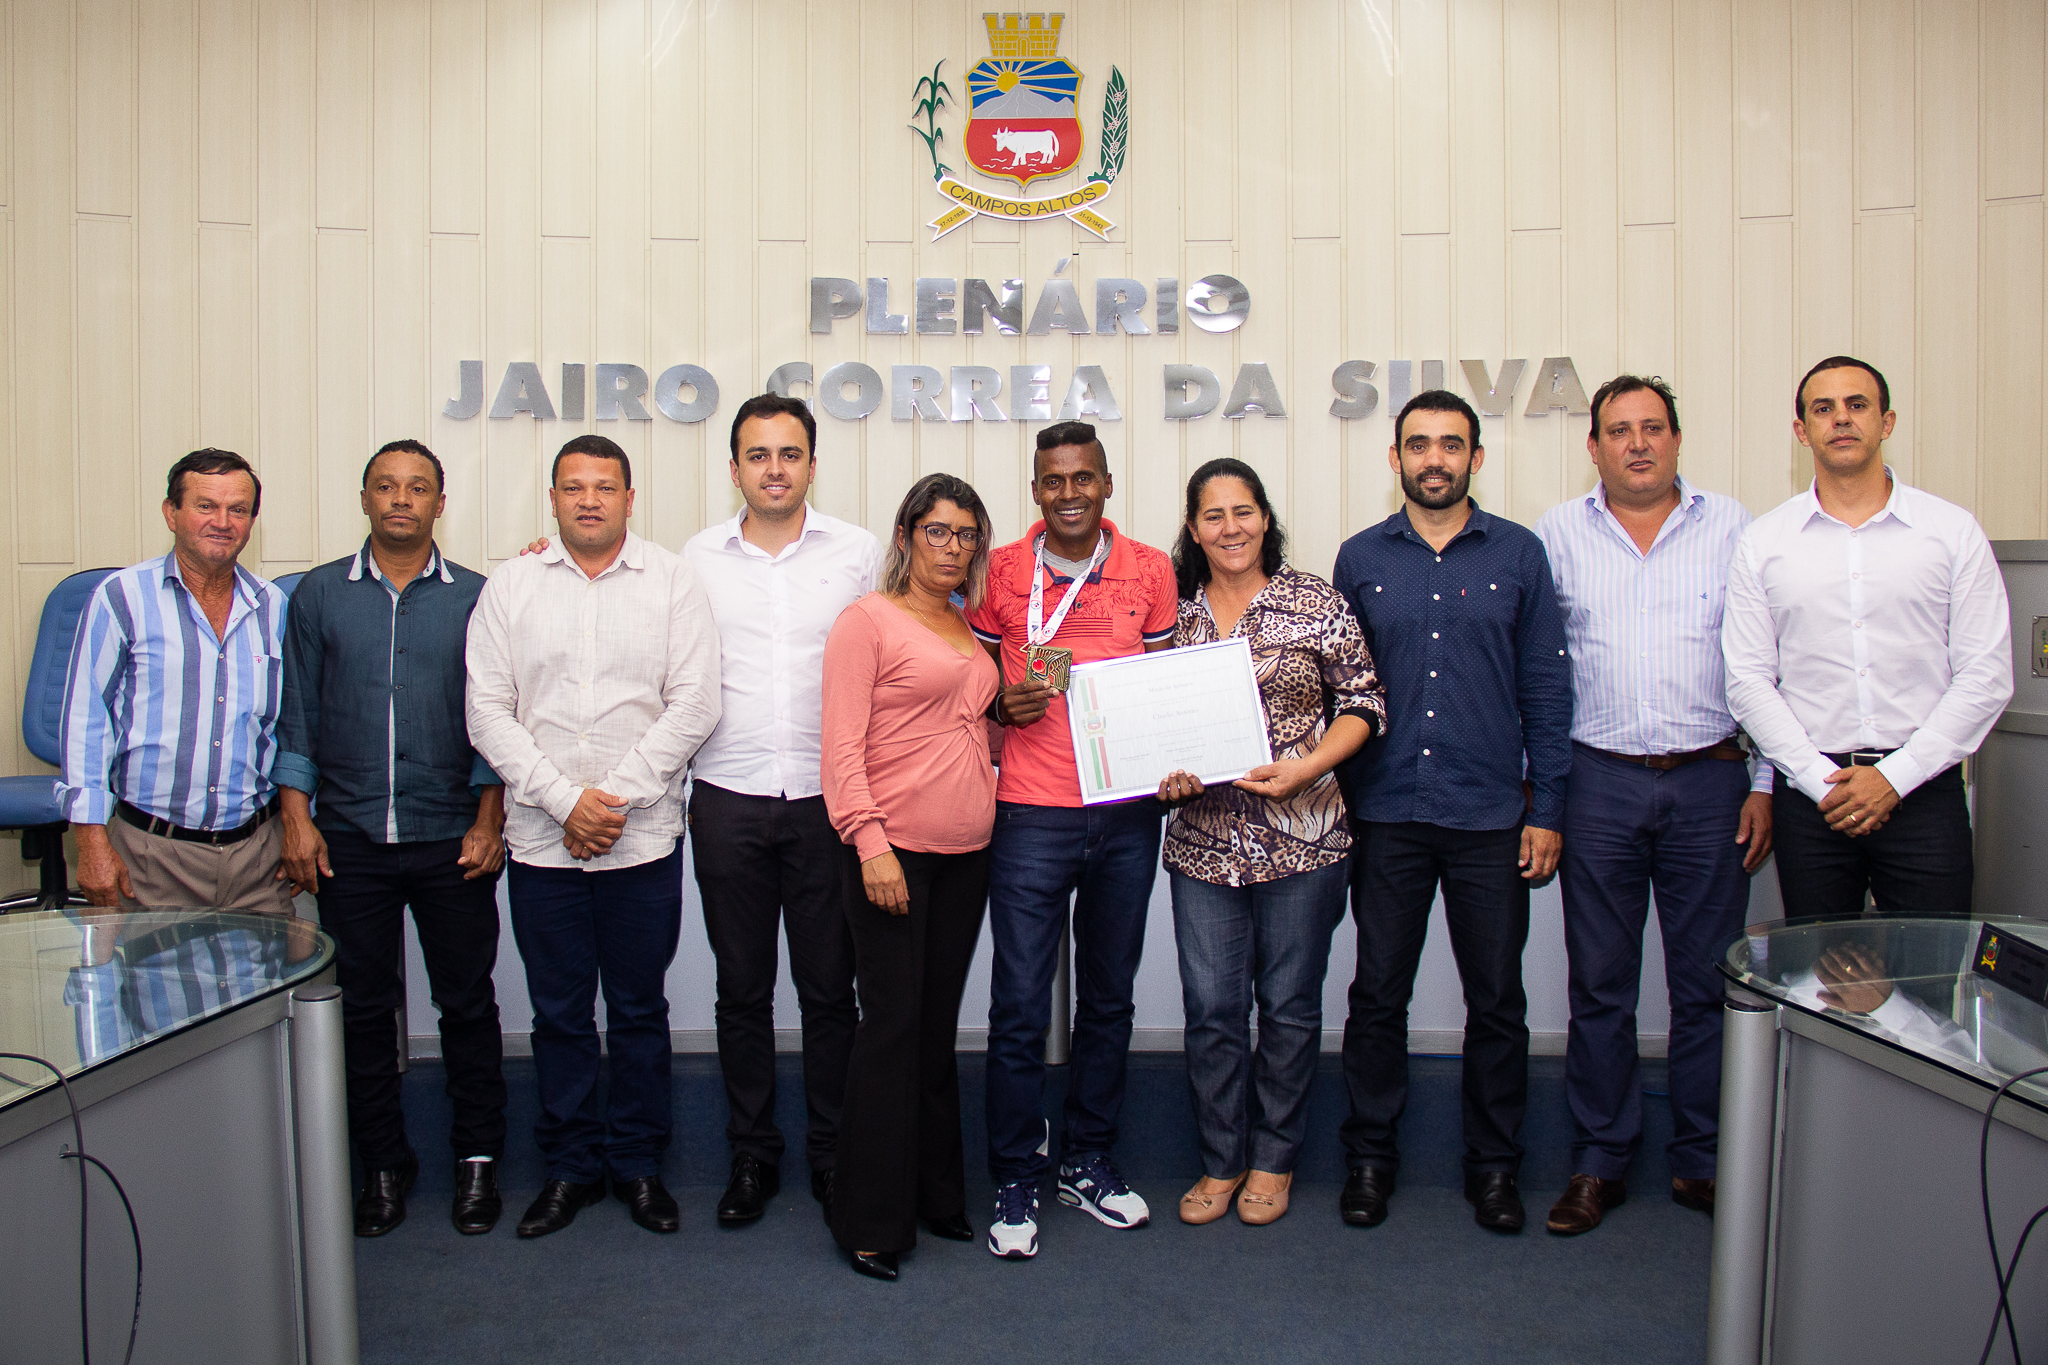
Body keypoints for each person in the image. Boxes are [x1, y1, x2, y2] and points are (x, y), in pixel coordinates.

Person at [1532, 376, 1772, 1236]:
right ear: (1592, 446)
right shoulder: (1557, 535)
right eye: (1619, 430)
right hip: (1599, 780)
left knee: (1707, 981)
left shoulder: (1736, 528)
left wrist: (1766, 782)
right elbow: (1541, 672)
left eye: (1654, 428)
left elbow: (1766, 662)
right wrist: (1548, 796)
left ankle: (1705, 1161)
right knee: (1601, 986)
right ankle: (1600, 1160)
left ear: (1677, 439)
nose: (1638, 443)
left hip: (1713, 779)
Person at [465, 434, 721, 1239]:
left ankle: (638, 1164)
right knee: (560, 1014)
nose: (588, 499)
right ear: (553, 498)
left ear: (629, 498)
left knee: (640, 1009)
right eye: (572, 486)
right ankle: (571, 1166)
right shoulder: (511, 585)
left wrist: (610, 800)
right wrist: (564, 801)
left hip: (641, 839)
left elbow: (695, 704)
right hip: (544, 843)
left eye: (604, 486)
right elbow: (487, 711)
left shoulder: (673, 580)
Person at [1331, 389, 1572, 1234]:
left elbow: (1547, 690)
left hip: (1490, 816)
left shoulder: (1520, 554)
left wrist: (1549, 809)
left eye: (1452, 444)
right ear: (1394, 458)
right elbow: (1341, 693)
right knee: (1376, 996)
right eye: (1419, 444)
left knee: (1497, 1000)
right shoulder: (1359, 559)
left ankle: (1496, 1168)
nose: (1436, 458)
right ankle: (1369, 1160)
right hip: (1387, 814)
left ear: (1476, 456)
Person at [274, 439, 509, 1239]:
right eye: (386, 486)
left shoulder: (481, 597)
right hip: (349, 836)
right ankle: (383, 1160)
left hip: (452, 834)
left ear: (442, 503)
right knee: (364, 1010)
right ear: (365, 498)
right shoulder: (317, 596)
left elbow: (495, 720)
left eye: (418, 488)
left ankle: (478, 1156)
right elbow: (297, 712)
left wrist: (489, 819)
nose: (401, 499)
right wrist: (295, 815)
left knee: (467, 1003)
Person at [966, 420, 1179, 1260]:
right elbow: (970, 672)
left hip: (1126, 813)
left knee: (1109, 998)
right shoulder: (1002, 570)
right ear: (1034, 490)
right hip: (1029, 811)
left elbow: (1165, 689)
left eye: (1082, 478)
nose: (1068, 493)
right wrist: (996, 705)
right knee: (1019, 1004)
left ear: (1106, 484)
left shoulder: (1151, 571)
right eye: (1052, 480)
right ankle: (1016, 1168)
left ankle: (1088, 1157)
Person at [1153, 459, 1385, 1228]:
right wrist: (1167, 772)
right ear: (1194, 528)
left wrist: (1307, 766)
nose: (1231, 527)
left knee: (1286, 1006)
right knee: (1213, 1008)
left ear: (1265, 518)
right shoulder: (1175, 616)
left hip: (1304, 836)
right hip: (1203, 844)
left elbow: (1363, 701)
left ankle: (1273, 1159)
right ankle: (1220, 1159)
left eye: (1244, 511)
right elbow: (1151, 722)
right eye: (1214, 515)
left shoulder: (1314, 600)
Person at [682, 394, 877, 1226]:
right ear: (734, 469)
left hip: (829, 802)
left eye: (789, 453)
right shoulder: (691, 559)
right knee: (741, 989)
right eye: (757, 455)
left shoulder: (860, 555)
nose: (774, 469)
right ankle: (753, 1154)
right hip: (727, 794)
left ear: (810, 463)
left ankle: (835, 1155)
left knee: (832, 990)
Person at [1723, 356, 2011, 919]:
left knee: (1929, 983)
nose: (1842, 420)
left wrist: (1895, 777)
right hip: (1813, 801)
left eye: (1858, 405)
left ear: (1887, 421)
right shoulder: (1764, 542)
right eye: (1823, 409)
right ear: (1802, 431)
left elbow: (1986, 676)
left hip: (1924, 791)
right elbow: (1748, 680)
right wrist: (1816, 780)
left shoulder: (1950, 533)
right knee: (1819, 989)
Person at [820, 474, 1001, 1281]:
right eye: (938, 531)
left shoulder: (966, 624)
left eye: (966, 534)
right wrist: (870, 843)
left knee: (932, 1029)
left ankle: (935, 1194)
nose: (953, 547)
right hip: (892, 854)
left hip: (968, 853)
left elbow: (962, 725)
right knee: (890, 1029)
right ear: (905, 536)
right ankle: (867, 1218)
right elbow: (841, 748)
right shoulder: (867, 621)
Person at [60, 448, 300, 927]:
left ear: (253, 520)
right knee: (156, 1000)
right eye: (205, 505)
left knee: (265, 999)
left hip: (256, 861)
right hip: (150, 857)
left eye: (238, 509)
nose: (222, 522)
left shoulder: (274, 607)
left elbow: (289, 728)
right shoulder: (122, 597)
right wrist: (90, 844)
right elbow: (86, 722)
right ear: (171, 512)